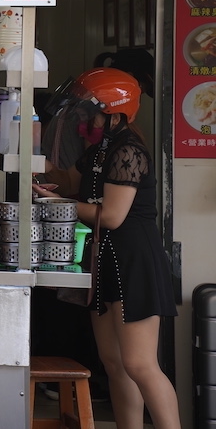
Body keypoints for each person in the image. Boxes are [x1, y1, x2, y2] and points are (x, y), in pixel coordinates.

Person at [34, 67, 180, 429]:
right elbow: (69, 181)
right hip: (105, 259)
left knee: (140, 364)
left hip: (135, 260)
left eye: (90, 114)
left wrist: (57, 205)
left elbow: (112, 215)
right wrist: (37, 168)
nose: (84, 120)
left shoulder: (129, 151)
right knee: (114, 363)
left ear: (114, 114)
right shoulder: (100, 149)